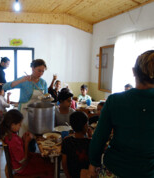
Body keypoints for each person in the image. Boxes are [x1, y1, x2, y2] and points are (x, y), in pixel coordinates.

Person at [89, 50, 154, 178]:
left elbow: (100, 136)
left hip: (115, 169)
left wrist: (93, 163)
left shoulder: (115, 101)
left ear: (134, 72)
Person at [0, 109, 54, 177]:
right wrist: (26, 143)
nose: (20, 126)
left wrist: (23, 139)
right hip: (22, 167)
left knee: (44, 158)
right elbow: (22, 160)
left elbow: (17, 149)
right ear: (12, 125)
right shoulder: (13, 140)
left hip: (20, 164)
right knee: (50, 167)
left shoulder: (9, 135)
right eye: (19, 124)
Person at [3, 59, 47, 136]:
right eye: (39, 70)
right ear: (33, 68)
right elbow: (5, 86)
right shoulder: (25, 80)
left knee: (35, 136)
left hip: (37, 113)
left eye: (43, 71)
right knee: (24, 133)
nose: (41, 73)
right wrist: (20, 81)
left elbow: (46, 97)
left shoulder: (43, 83)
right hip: (24, 112)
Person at [62, 111, 91, 178]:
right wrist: (90, 136)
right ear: (85, 126)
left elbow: (64, 162)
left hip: (72, 175)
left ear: (71, 126)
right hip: (86, 175)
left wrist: (68, 176)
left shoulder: (66, 141)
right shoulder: (90, 142)